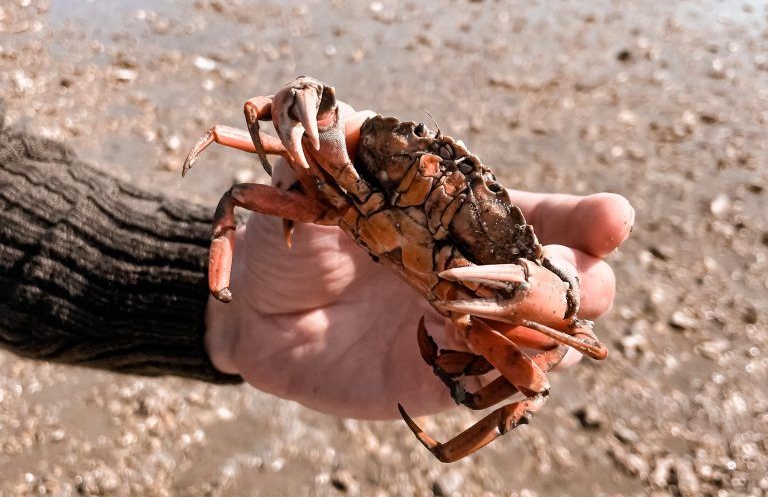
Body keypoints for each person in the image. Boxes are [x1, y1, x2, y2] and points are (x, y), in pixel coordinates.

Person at [0, 117, 633, 421]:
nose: (449, 183)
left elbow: (564, 341)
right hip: (344, 218)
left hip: (470, 307)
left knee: (546, 343)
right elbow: (301, 110)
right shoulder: (356, 176)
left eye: (472, 191)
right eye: (431, 155)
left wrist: (234, 319)